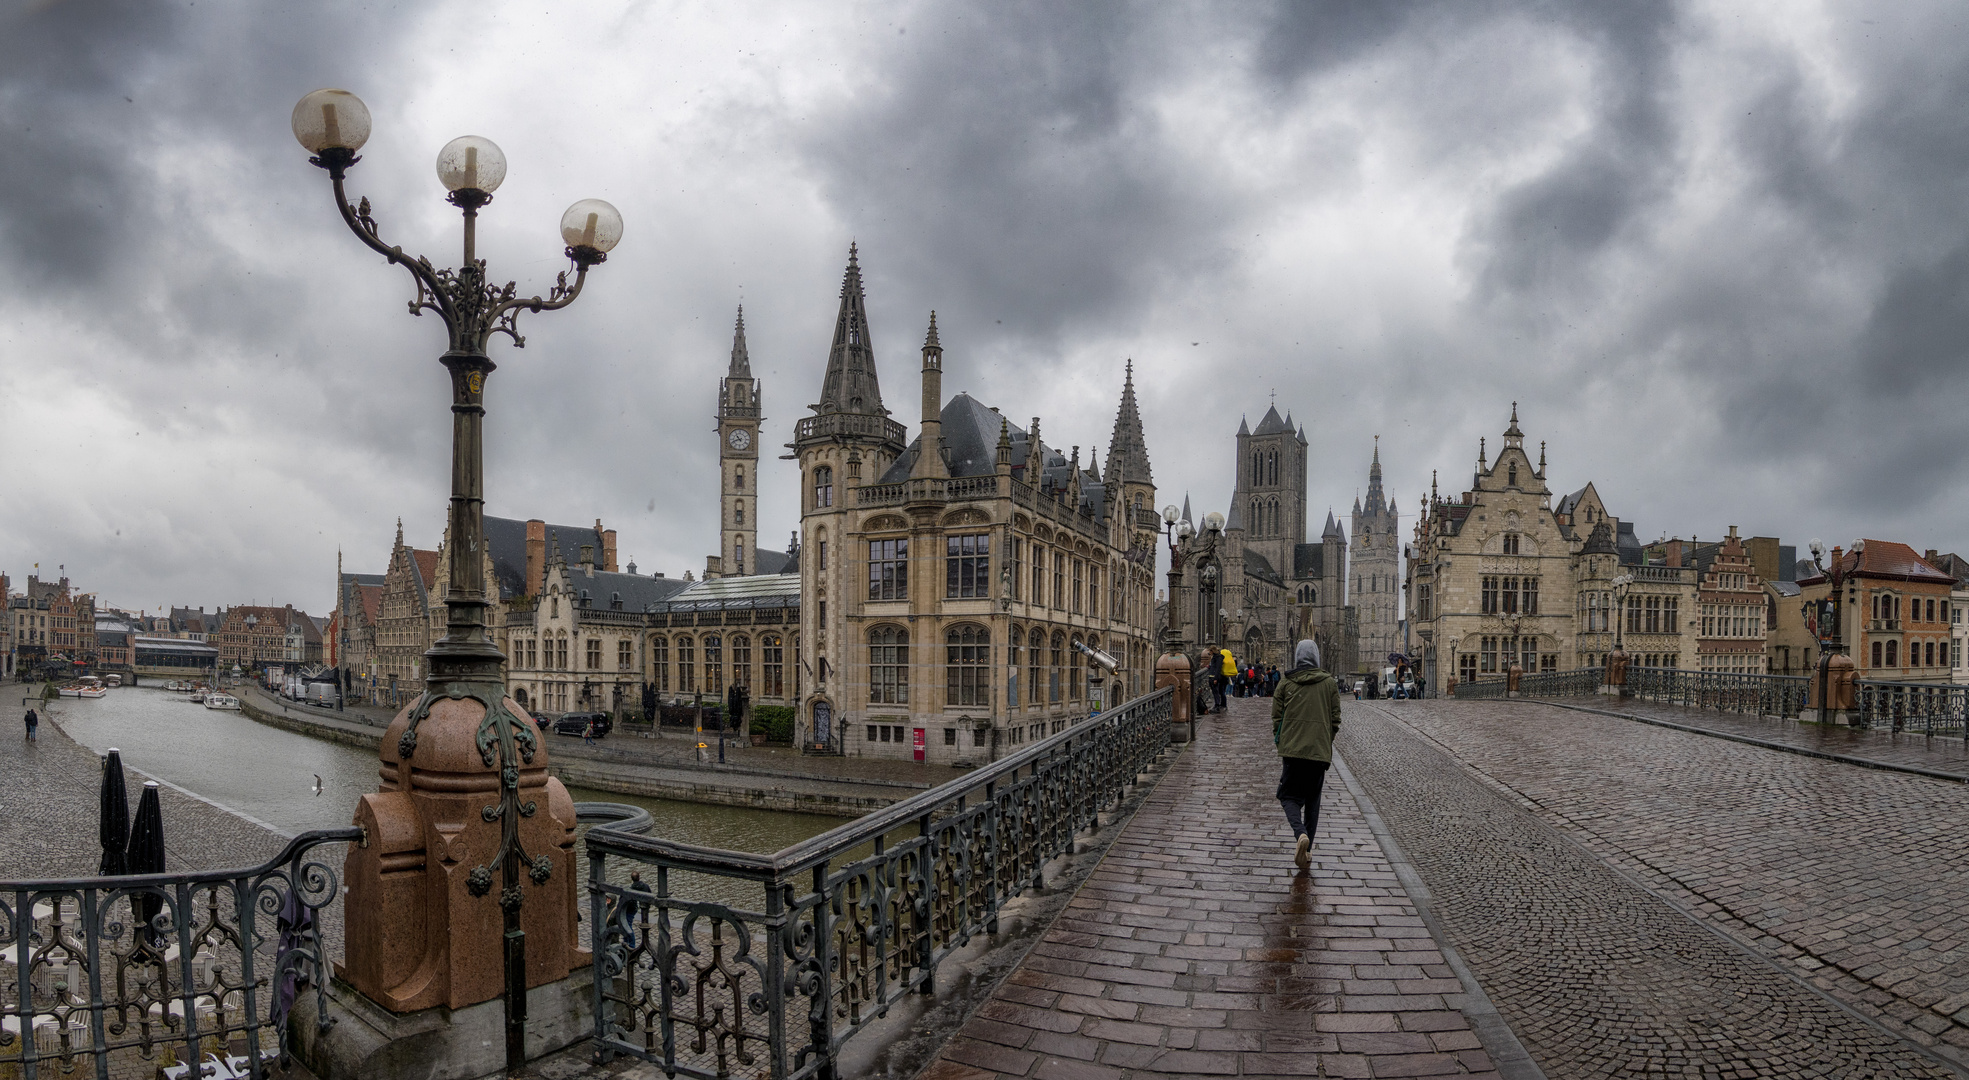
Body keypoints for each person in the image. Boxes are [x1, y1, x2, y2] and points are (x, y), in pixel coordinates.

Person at [1273, 639, 1340, 869]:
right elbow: (1335, 719)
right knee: (1313, 801)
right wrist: (1324, 742)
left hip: (1292, 752)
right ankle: (1308, 851)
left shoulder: (1286, 683)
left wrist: (1280, 740)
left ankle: (1300, 834)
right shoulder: (1329, 683)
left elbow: (1276, 717)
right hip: (1319, 754)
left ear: (1298, 658)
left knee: (1288, 796)